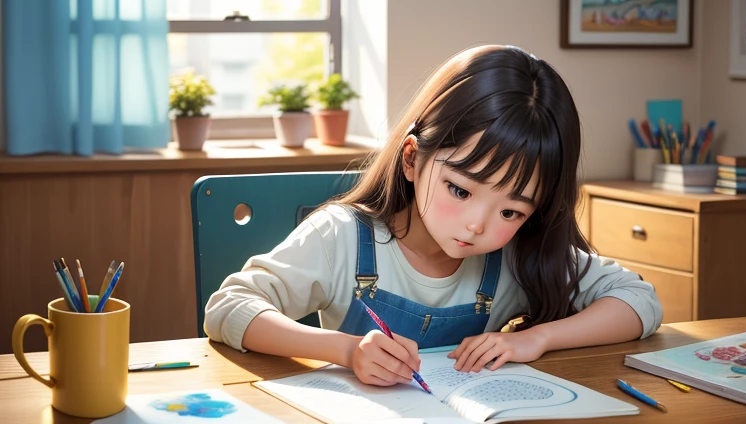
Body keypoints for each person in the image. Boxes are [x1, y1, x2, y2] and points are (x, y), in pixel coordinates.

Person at [204, 45, 662, 388]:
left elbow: (639, 302)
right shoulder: (342, 236)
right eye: (460, 189)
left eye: (511, 209)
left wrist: (536, 339)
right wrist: (345, 351)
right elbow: (228, 308)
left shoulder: (520, 254)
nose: (476, 225)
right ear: (411, 159)